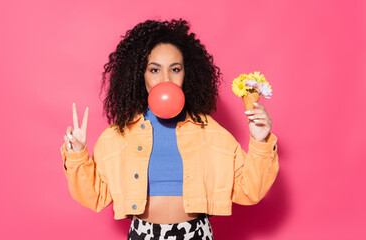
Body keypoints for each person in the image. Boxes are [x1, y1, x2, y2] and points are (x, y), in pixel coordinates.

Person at [60, 19, 279, 240]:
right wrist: (77, 156)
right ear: (140, 75)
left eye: (175, 69)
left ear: (187, 74)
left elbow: (249, 191)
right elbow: (95, 196)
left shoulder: (209, 131)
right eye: (154, 70)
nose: (166, 79)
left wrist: (260, 142)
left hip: (196, 234)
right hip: (143, 234)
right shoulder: (119, 135)